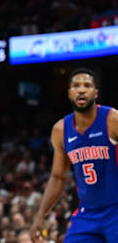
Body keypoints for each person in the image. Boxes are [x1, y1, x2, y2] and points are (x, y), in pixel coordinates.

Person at [30, 68, 118, 242]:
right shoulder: (60, 130)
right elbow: (57, 177)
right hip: (87, 213)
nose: (81, 89)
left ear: (96, 93)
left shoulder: (112, 119)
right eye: (76, 86)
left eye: (87, 85)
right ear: (69, 93)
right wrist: (41, 215)